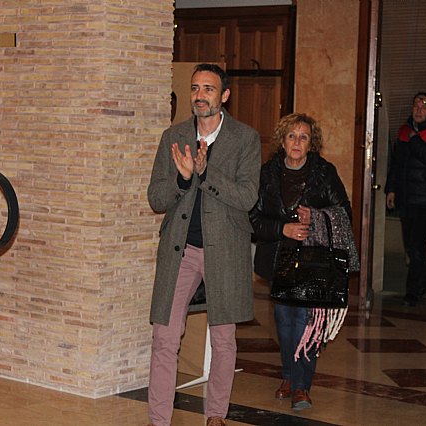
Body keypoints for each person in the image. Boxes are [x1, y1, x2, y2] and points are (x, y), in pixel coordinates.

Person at [147, 63, 261, 426]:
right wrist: (182, 181)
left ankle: (216, 415)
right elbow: (155, 197)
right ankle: (159, 420)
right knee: (165, 337)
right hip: (180, 250)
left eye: (208, 89)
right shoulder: (174, 136)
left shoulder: (245, 139)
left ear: (224, 95)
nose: (200, 95)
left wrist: (207, 172)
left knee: (223, 338)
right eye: (195, 88)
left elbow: (247, 197)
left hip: (224, 251)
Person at [249, 113, 352, 411]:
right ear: (282, 141)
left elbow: (344, 213)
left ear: (311, 143)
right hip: (278, 258)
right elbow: (252, 218)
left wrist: (316, 218)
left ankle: (301, 386)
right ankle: (289, 375)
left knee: (306, 323)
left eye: (303, 137)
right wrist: (282, 229)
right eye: (291, 136)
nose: (297, 142)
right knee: (284, 322)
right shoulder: (266, 173)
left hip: (313, 259)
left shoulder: (324, 172)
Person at [385, 92, 426, 306]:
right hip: (406, 197)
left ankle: (413, 291)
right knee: (414, 245)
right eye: (416, 105)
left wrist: (416, 141)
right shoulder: (404, 131)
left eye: (424, 106)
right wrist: (391, 190)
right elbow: (396, 164)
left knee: (415, 245)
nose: (419, 110)